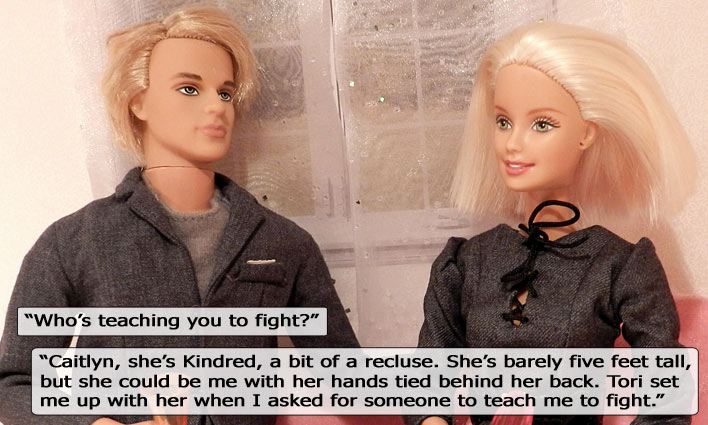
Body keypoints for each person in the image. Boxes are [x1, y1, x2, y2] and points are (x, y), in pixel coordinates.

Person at [0, 5, 358, 425]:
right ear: (139, 101)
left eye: (225, 93)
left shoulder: (282, 241)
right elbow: (14, 384)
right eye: (189, 88)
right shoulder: (76, 241)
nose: (217, 108)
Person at [406, 21, 694, 425]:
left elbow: (667, 397)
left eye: (542, 124)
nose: (513, 143)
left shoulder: (619, 265)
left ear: (586, 134)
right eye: (503, 121)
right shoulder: (467, 262)